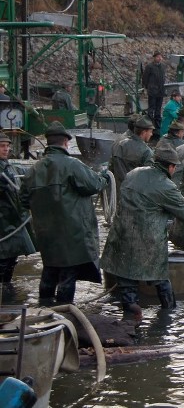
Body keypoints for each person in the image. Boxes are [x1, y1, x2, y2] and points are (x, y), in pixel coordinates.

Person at [100, 144, 184, 318]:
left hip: (121, 236)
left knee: (126, 281)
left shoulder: (133, 174)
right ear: (170, 166)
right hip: (148, 242)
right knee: (161, 280)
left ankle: (131, 318)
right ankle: (167, 319)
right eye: (175, 166)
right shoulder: (166, 186)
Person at [20, 121, 108, 305]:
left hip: (45, 233)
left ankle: (44, 311)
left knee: (49, 271)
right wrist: (105, 176)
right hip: (71, 234)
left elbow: (23, 200)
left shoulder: (33, 170)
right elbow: (94, 185)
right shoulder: (72, 165)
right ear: (66, 143)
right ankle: (65, 314)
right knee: (68, 274)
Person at [0, 132, 35, 295]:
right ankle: (3, 290)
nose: (6, 149)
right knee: (3, 258)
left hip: (13, 220)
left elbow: (25, 172)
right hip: (3, 223)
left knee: (11, 257)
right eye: (2, 146)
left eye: (7, 146)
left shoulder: (9, 166)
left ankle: (6, 287)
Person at [110, 115, 155, 194]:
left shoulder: (121, 144)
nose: (151, 134)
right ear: (144, 132)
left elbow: (112, 166)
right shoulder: (146, 151)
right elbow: (148, 178)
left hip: (117, 189)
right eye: (150, 131)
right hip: (135, 193)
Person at [141, 51, 167, 131]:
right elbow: (145, 77)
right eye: (158, 57)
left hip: (161, 91)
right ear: (154, 58)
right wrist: (147, 87)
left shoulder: (163, 66)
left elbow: (163, 77)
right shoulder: (150, 66)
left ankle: (157, 125)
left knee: (158, 108)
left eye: (160, 57)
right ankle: (149, 124)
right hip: (152, 91)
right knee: (151, 108)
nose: (159, 58)